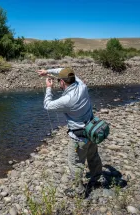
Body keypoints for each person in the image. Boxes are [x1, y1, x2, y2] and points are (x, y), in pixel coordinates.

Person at [36, 67, 105, 197]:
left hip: (78, 139)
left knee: (75, 164)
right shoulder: (82, 85)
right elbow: (64, 69)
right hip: (92, 131)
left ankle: (78, 191)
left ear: (62, 82)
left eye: (58, 82)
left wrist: (49, 88)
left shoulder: (67, 100)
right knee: (93, 157)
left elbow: (47, 105)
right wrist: (48, 72)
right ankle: (97, 180)